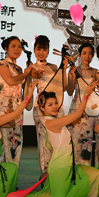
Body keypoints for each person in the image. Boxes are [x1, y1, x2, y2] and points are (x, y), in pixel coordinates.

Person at [5, 81, 99, 197]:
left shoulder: (55, 121)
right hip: (60, 167)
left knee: (94, 174)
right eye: (50, 105)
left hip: (67, 165)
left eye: (56, 103)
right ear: (42, 108)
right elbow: (77, 114)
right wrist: (86, 93)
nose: (55, 106)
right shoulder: (52, 123)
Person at [29, 35, 68, 176]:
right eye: (39, 49)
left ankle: (58, 173)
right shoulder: (32, 67)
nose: (41, 52)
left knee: (58, 141)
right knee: (44, 143)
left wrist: (64, 68)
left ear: (49, 51)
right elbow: (34, 77)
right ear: (34, 50)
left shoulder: (53, 67)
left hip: (56, 106)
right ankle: (45, 175)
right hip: (41, 107)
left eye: (44, 50)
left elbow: (63, 87)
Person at [0, 36, 32, 167]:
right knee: (5, 142)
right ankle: (4, 174)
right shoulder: (2, 64)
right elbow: (10, 81)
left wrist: (28, 73)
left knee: (16, 142)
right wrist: (26, 74)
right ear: (6, 48)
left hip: (17, 109)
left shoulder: (19, 69)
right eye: (13, 46)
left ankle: (13, 173)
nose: (17, 49)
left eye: (19, 47)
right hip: (5, 108)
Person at [67, 43, 99, 165]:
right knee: (76, 141)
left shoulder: (95, 72)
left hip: (90, 110)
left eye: (90, 53)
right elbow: (70, 91)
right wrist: (71, 75)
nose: (87, 56)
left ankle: (86, 169)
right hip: (77, 108)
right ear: (80, 54)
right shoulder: (74, 70)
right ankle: (76, 170)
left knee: (87, 141)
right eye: (84, 53)